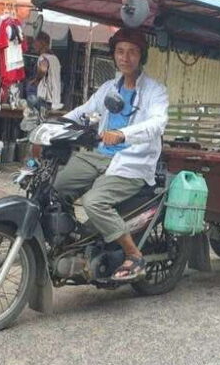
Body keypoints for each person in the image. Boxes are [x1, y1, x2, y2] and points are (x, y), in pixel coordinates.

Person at [55, 28, 169, 282]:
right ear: (113, 55)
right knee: (57, 187)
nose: (125, 57)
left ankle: (134, 255)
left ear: (142, 56)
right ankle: (75, 238)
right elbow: (84, 111)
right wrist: (56, 125)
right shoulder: (109, 87)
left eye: (131, 52)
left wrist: (123, 134)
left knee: (94, 202)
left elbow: (157, 124)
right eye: (120, 51)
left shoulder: (155, 91)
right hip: (100, 155)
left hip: (132, 161)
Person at [29, 31, 62, 110]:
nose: (33, 45)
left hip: (44, 99)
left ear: (41, 43)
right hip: (55, 99)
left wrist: (36, 80)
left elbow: (43, 69)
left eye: (35, 42)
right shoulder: (55, 58)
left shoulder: (43, 57)